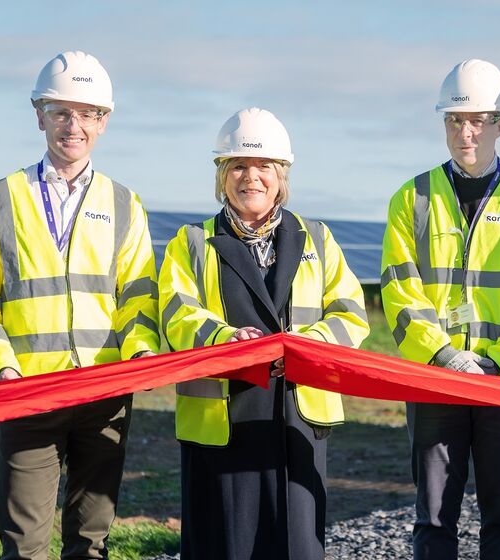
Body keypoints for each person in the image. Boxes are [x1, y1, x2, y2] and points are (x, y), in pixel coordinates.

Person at [0, 51, 160, 559]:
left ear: (104, 122)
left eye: (88, 113)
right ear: (38, 114)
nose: (74, 125)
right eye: (61, 111)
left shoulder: (126, 203)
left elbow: (139, 298)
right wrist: (1, 370)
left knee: (91, 544)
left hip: (103, 394)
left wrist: (141, 353)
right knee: (24, 547)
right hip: (26, 393)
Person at [158, 107, 370, 560]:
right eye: (237, 165)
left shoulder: (317, 239)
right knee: (224, 545)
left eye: (263, 167)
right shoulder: (191, 242)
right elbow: (177, 313)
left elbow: (351, 311)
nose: (250, 177)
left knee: (297, 548)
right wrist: (224, 340)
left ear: (282, 174)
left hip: (298, 421)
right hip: (222, 424)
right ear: (222, 175)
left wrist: (308, 345)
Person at [381, 59, 500, 559]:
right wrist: (442, 355)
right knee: (434, 516)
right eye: (454, 120)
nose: (465, 131)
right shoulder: (411, 198)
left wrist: (493, 363)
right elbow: (400, 288)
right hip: (435, 379)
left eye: (478, 120)